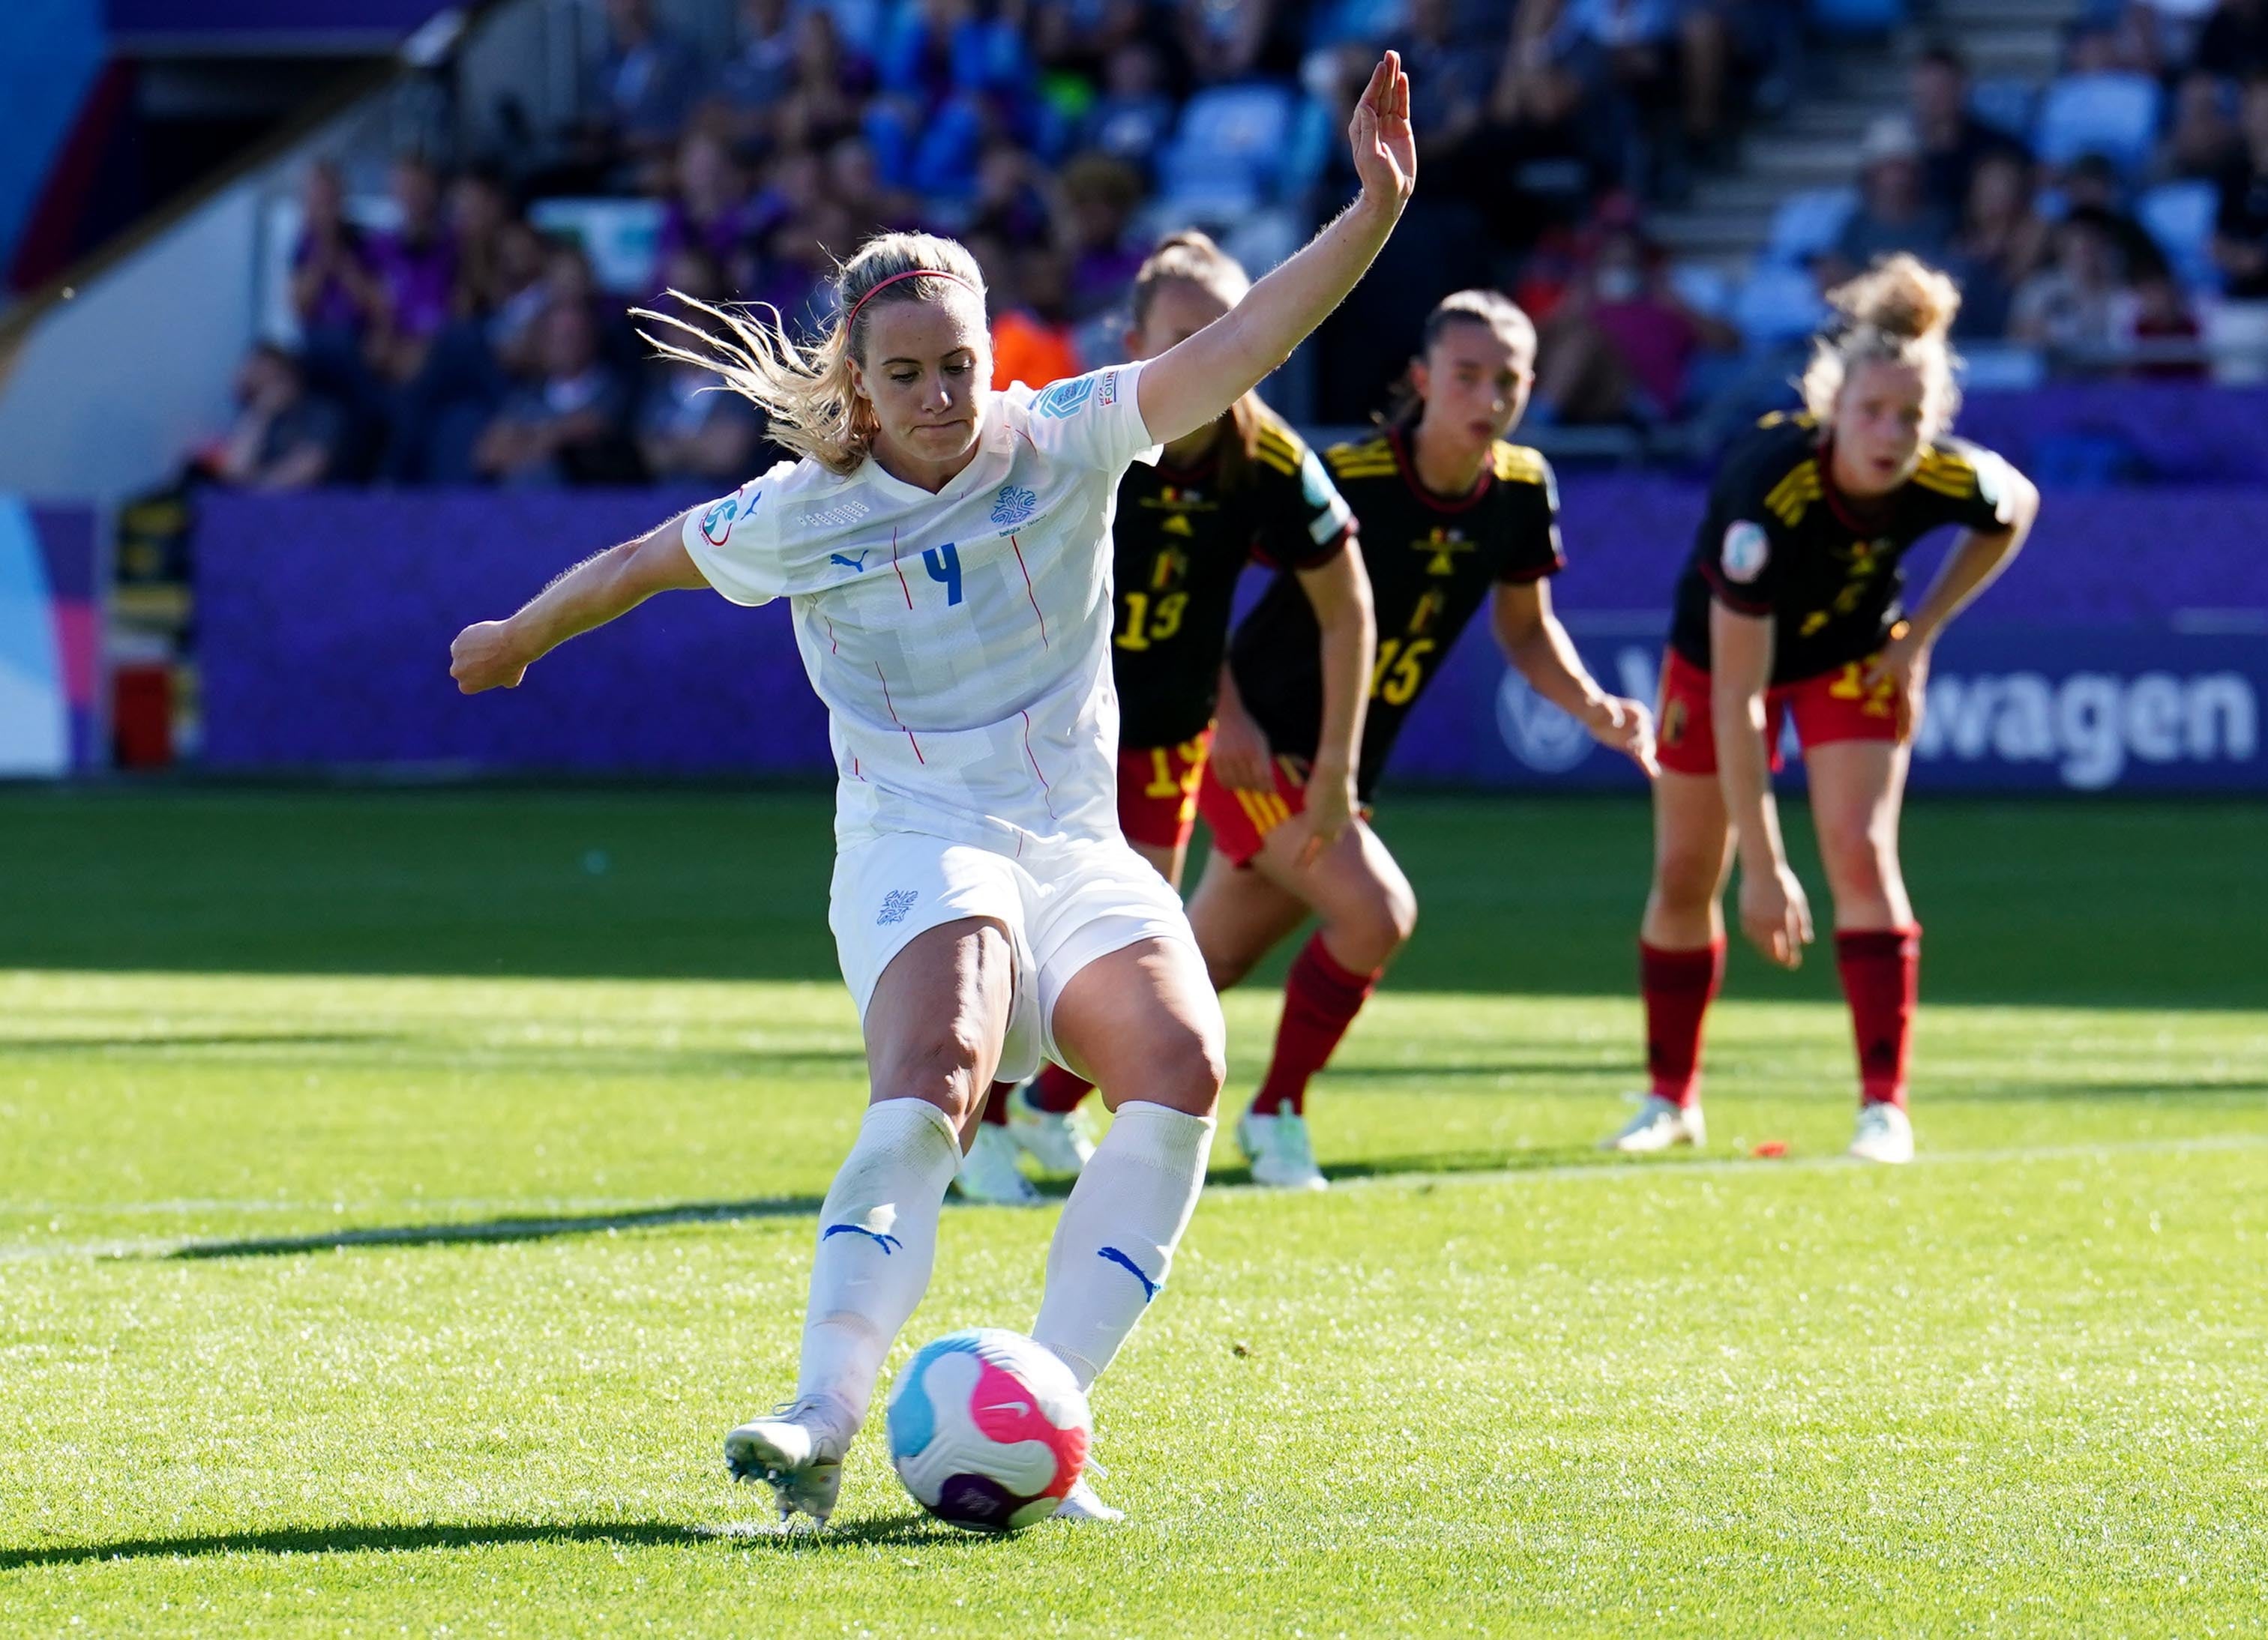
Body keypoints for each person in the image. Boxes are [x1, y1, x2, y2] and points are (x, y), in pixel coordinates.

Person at [448, 52, 1419, 1528]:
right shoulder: (802, 511)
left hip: (1077, 841)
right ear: (857, 380)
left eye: (958, 361)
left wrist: (1375, 208)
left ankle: (1051, 1405)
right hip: (917, 842)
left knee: (1180, 1064)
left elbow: (1244, 344)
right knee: (948, 1057)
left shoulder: (1069, 433)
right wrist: (520, 635)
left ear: (992, 349)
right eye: (902, 372)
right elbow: (639, 562)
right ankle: (821, 1409)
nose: (938, 394)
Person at [1189, 288, 1658, 1190]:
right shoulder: (1349, 479)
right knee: (1376, 913)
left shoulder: (1520, 489)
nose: (1487, 397)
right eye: (1466, 375)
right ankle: (1276, 1111)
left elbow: (1525, 629)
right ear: (1421, 379)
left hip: (1338, 766)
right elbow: (1205, 579)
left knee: (1203, 964)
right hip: (1260, 749)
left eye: (1508, 381)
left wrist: (1593, 706)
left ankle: (1035, 1108)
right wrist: (1230, 714)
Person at [963, 231, 1377, 1204]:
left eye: (1228, 331)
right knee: (1017, 928)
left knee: (1125, 943)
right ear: (1136, 337)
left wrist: (1333, 771)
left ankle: (1042, 1110)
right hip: (1049, 727)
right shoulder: (1079, 429)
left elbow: (1346, 603)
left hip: (1164, 734)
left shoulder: (1264, 451)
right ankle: (977, 1130)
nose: (1208, 354)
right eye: (1185, 334)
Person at [1605, 255, 2039, 1166]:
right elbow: (1737, 698)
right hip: (1722, 669)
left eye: (1911, 418)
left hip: (1849, 654)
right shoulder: (1766, 490)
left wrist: (1917, 633)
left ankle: (1885, 1108)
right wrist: (1762, 869)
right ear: (1830, 408)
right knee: (1690, 873)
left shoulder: (1937, 477)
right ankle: (1669, 1097)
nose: (1890, 434)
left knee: (1859, 852)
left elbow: (2014, 505)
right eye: (1872, 412)